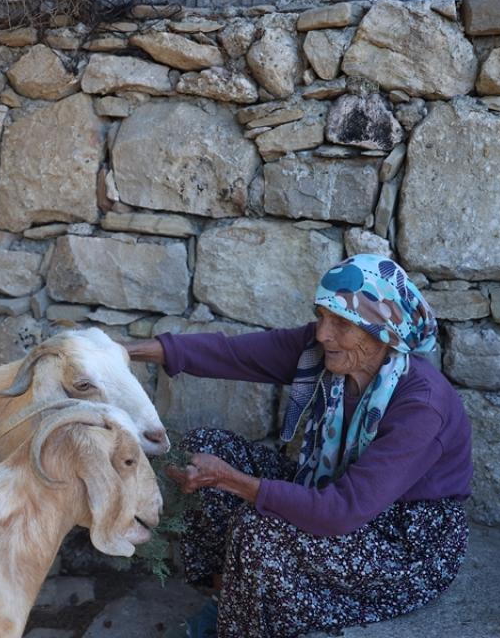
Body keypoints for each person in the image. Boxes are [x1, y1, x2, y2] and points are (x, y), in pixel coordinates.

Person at [125, 254, 472, 638]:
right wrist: (121, 352)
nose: (323, 334)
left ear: (382, 331)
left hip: (405, 542)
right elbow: (233, 354)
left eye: (341, 323)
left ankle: (244, 622)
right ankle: (228, 595)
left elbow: (343, 509)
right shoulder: (321, 353)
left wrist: (231, 480)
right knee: (205, 445)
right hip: (331, 487)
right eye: (321, 316)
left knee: (259, 529)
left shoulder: (422, 405)